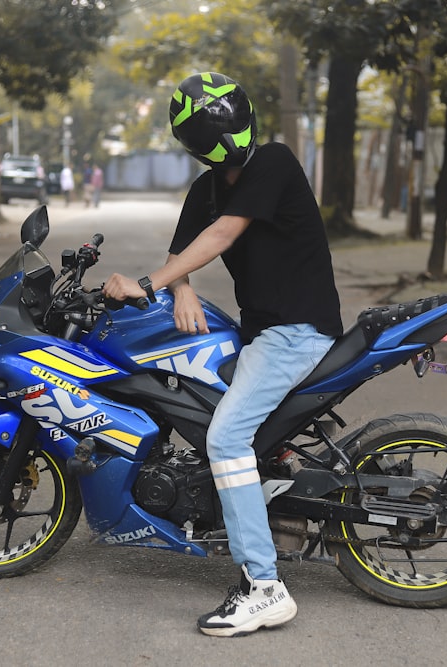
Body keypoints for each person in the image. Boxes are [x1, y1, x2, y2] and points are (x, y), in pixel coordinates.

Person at [103, 72, 342, 637]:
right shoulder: (208, 187)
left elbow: (220, 237)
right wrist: (179, 286)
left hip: (295, 331)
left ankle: (264, 586)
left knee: (226, 438)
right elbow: (184, 249)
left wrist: (149, 282)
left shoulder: (275, 163)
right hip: (260, 330)